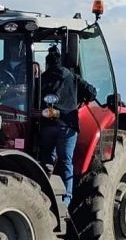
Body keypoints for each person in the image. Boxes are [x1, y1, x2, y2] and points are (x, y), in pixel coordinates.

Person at [38, 47, 96, 206]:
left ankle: (44, 193)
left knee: (46, 159)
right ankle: (66, 199)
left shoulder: (42, 78)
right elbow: (92, 92)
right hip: (67, 126)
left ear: (47, 62)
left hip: (47, 126)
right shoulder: (73, 77)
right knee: (66, 161)